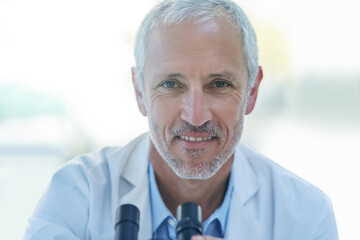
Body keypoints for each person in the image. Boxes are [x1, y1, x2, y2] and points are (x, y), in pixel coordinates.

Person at [24, 0, 339, 239]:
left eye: (219, 84)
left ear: (252, 92)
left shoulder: (306, 216)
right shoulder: (76, 196)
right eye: (171, 85)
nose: (196, 116)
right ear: (139, 92)